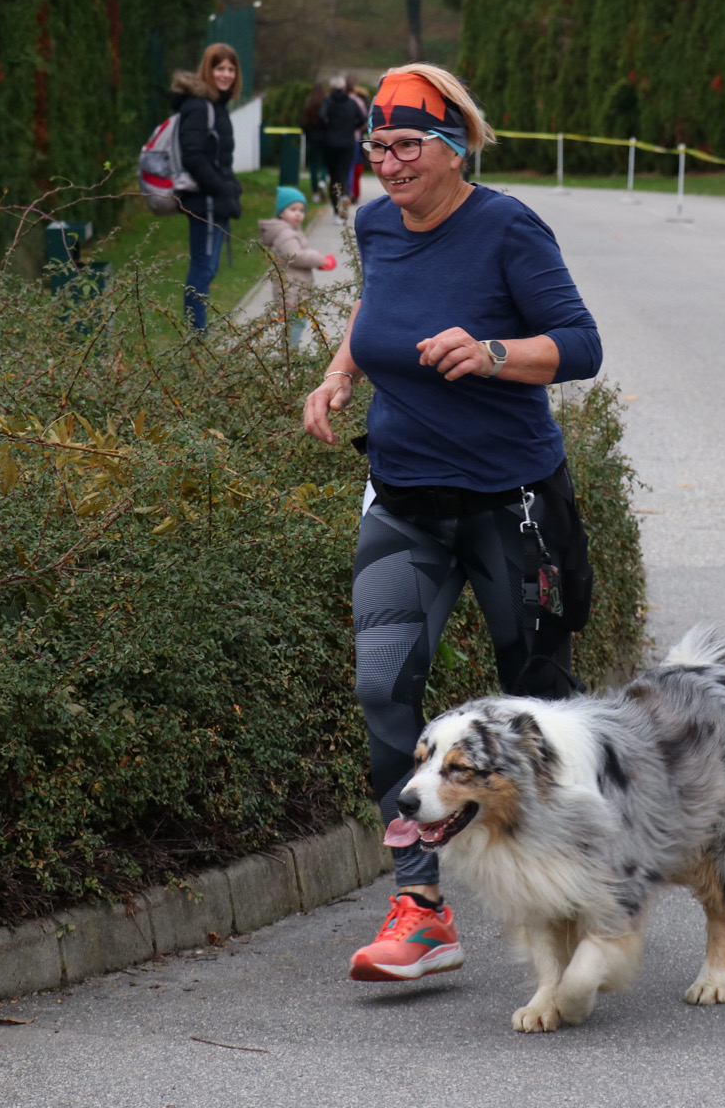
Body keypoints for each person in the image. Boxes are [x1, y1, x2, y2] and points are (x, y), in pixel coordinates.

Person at [301, 62, 602, 984]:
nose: (387, 165)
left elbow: (581, 345)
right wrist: (342, 372)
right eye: (376, 146)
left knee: (537, 707)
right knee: (384, 686)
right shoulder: (380, 223)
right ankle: (421, 907)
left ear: (452, 146)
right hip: (404, 500)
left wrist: (494, 350)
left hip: (511, 508)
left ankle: (573, 891)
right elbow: (377, 300)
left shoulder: (507, 227)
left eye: (406, 147)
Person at [169, 43, 243, 332]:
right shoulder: (200, 106)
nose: (225, 74)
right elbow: (193, 155)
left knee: (206, 268)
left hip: (215, 198)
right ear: (207, 70)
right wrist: (219, 188)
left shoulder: (216, 106)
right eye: (219, 68)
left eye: (230, 68)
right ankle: (195, 337)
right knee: (203, 267)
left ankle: (196, 334)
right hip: (206, 200)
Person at [257, 185, 336, 348]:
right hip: (291, 291)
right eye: (293, 209)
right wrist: (318, 259)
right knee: (295, 325)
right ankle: (289, 359)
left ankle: (288, 356)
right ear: (281, 212)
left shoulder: (290, 231)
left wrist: (313, 254)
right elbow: (294, 255)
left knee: (294, 325)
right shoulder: (286, 233)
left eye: (301, 210)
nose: (298, 214)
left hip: (294, 288)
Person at [316, 75, 365, 218]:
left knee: (333, 176)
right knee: (344, 173)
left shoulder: (328, 101)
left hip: (331, 143)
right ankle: (344, 197)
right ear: (344, 88)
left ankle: (335, 210)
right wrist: (352, 128)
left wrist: (327, 129)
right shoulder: (351, 102)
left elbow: (321, 116)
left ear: (331, 88)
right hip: (348, 142)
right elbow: (362, 119)